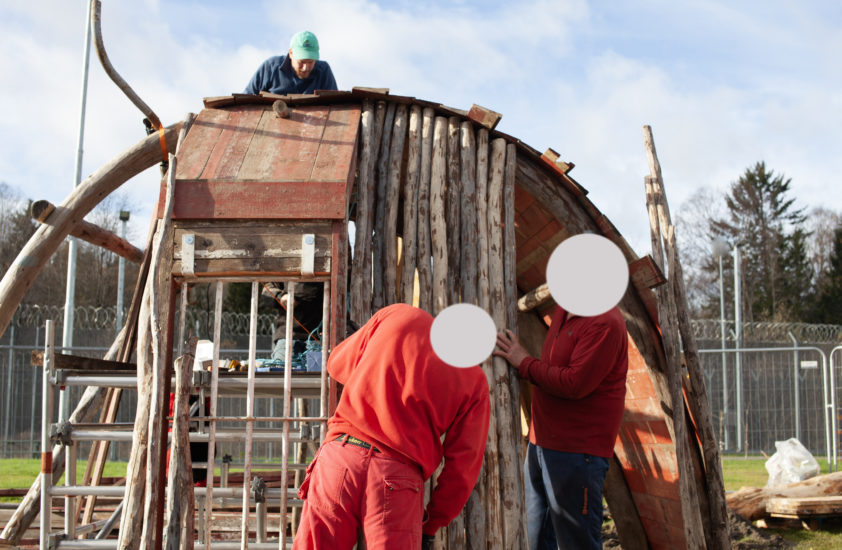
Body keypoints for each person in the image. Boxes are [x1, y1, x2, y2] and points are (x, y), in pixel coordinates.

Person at [292, 303, 490, 549]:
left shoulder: (399, 314)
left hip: (341, 458)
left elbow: (336, 365)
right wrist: (431, 523)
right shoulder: (474, 380)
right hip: (397, 478)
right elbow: (462, 470)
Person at [494, 304, 628, 550]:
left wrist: (524, 362)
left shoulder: (605, 322)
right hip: (541, 443)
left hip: (577, 452)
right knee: (535, 538)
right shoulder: (564, 310)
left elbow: (573, 384)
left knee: (576, 542)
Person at [244, 30, 337, 95]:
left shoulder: (324, 71)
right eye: (302, 62)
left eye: (311, 62)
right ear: (291, 53)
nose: (306, 67)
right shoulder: (270, 68)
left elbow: (336, 105)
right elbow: (247, 99)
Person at [262, 281, 323, 364]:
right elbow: (267, 290)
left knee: (317, 374)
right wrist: (281, 296)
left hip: (318, 337)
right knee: (282, 371)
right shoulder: (283, 269)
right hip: (286, 335)